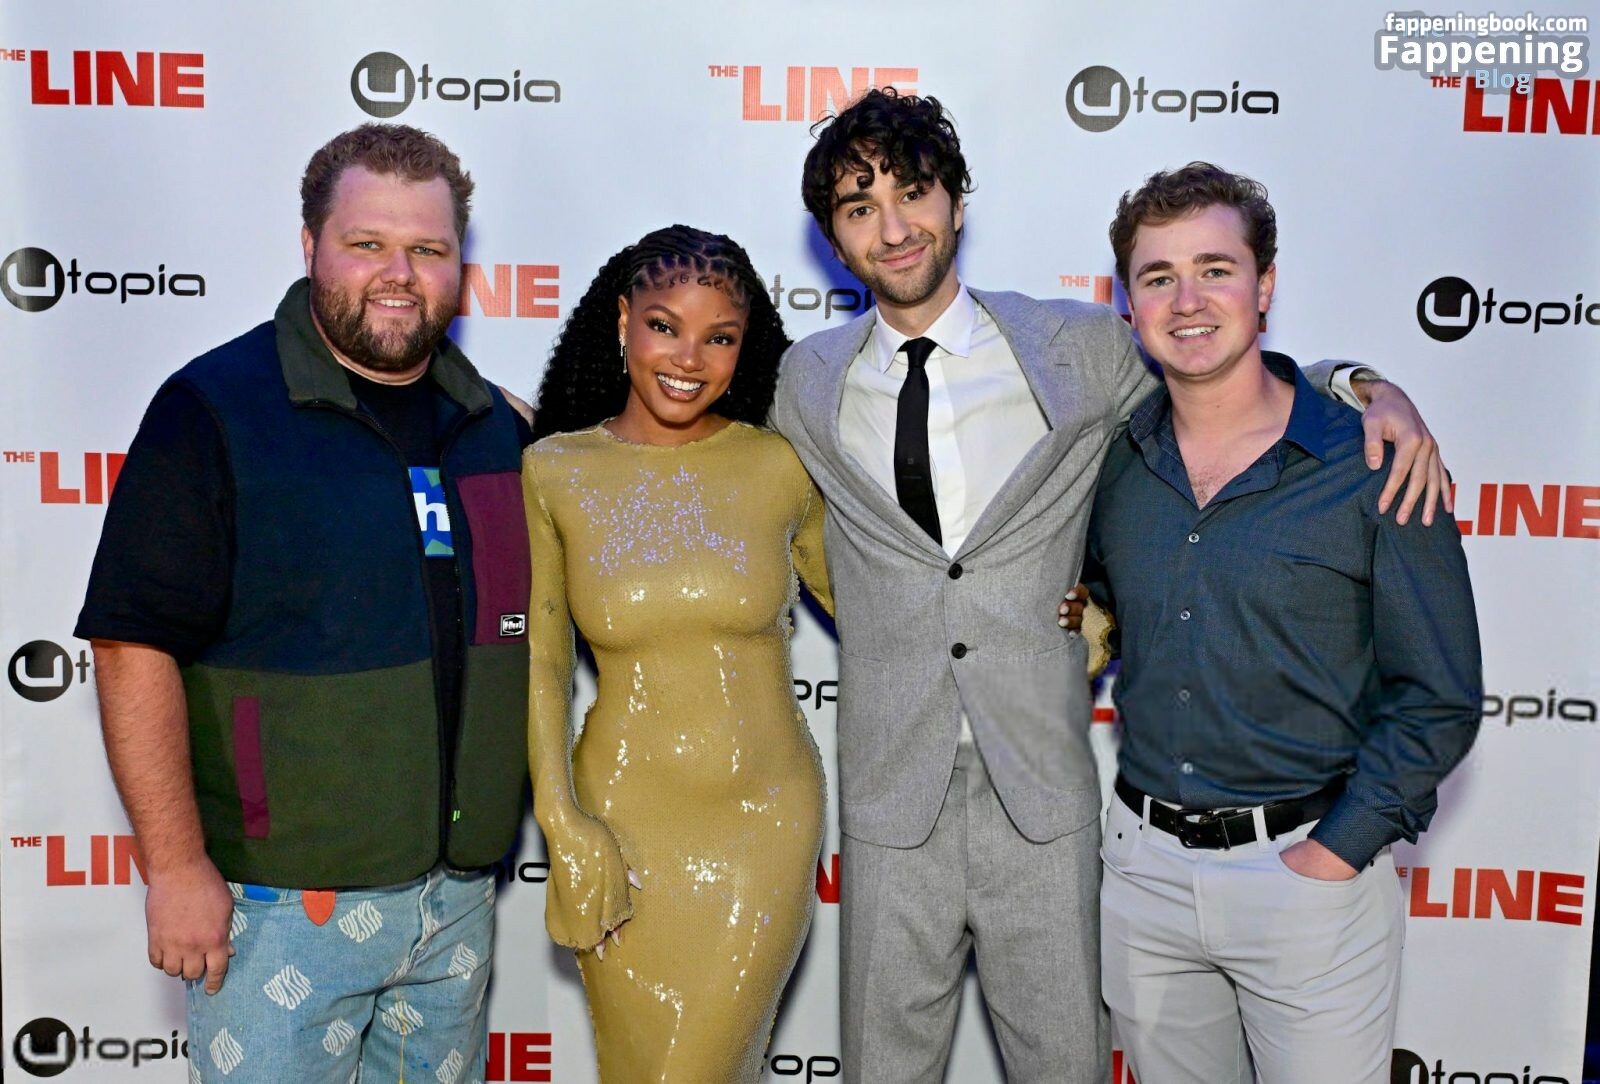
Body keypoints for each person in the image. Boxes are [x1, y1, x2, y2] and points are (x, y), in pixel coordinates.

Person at [769, 88, 1449, 1083]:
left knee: (1067, 1063)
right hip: (889, 790)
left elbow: (1222, 376)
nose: (894, 226)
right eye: (859, 207)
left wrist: (1362, 385)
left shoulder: (1077, 346)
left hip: (1044, 789)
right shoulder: (807, 380)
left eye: (912, 193)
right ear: (833, 238)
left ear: (956, 201)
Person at [76, 124, 533, 1082]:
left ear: (460, 262)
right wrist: (174, 867)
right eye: (367, 243)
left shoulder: (497, 426)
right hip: (276, 908)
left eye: (428, 248)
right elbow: (130, 646)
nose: (399, 273)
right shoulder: (214, 409)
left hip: (456, 904)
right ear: (310, 244)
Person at [1086, 162, 1481, 1084]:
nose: (1188, 300)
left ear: (1264, 287)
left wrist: (1340, 850)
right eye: (1158, 277)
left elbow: (1441, 694)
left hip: (1306, 879)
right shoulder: (1117, 461)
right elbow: (1102, 605)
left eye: (1216, 270)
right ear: (1129, 306)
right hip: (1144, 876)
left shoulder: (1375, 463)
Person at [523, 225, 833, 1082]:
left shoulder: (780, 465)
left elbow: (891, 608)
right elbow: (541, 665)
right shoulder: (553, 470)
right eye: (665, 326)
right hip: (617, 820)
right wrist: (564, 824)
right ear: (623, 320)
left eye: (719, 337)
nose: (689, 359)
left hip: (762, 823)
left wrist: (1051, 609)